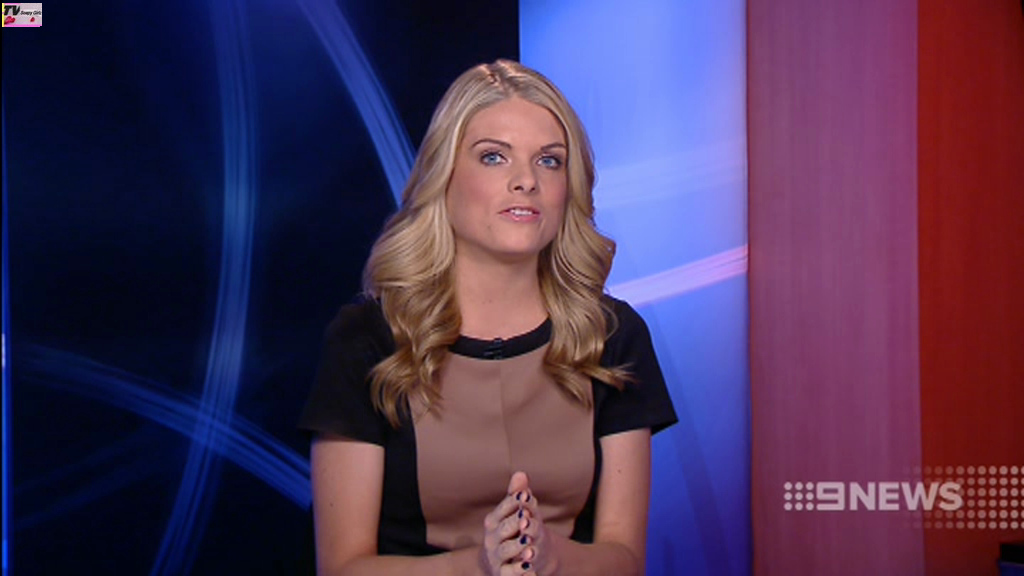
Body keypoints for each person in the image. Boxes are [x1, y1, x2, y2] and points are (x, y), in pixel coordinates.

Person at [299, 59, 677, 576]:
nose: (526, 181)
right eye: (494, 157)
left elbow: (625, 560)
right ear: (444, 175)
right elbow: (342, 568)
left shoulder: (612, 336)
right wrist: (476, 565)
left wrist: (551, 556)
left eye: (549, 161)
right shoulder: (368, 340)